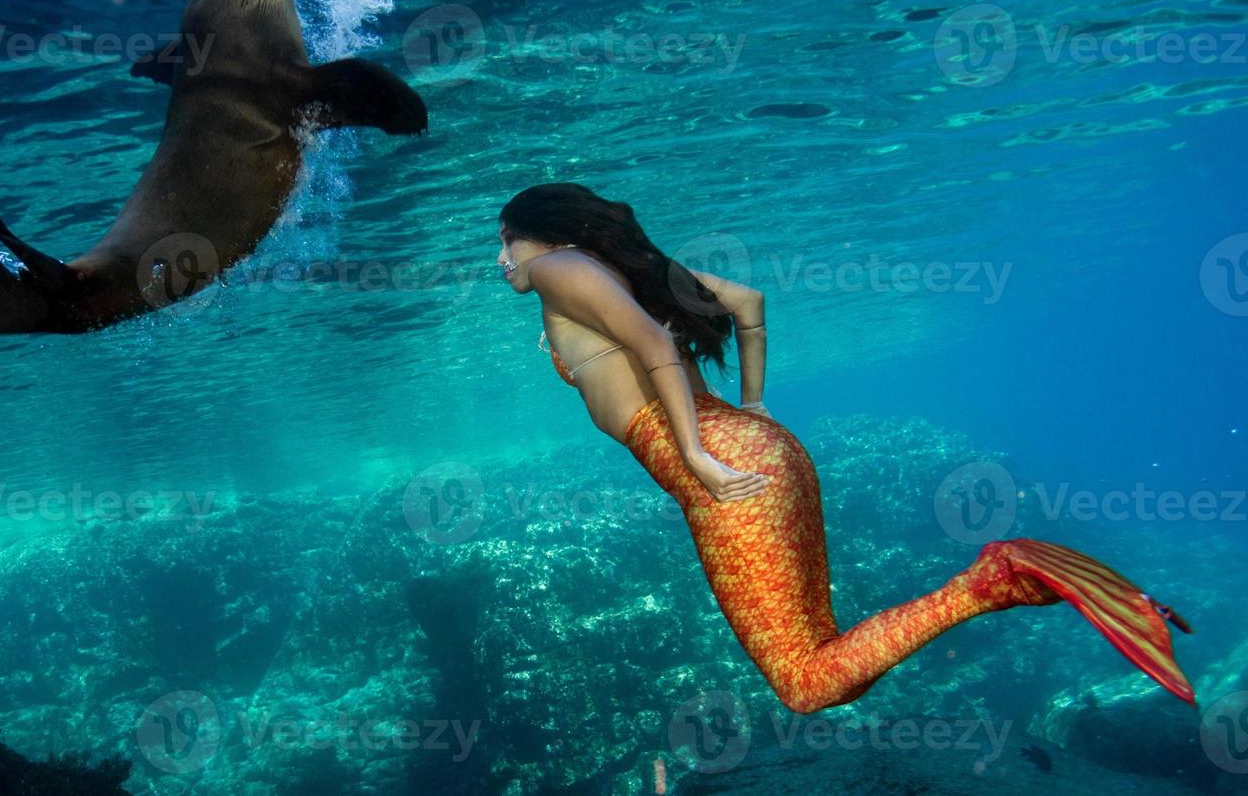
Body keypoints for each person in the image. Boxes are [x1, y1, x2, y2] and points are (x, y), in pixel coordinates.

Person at [496, 182, 1195, 713]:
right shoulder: (610, 275)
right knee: (827, 657)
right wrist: (757, 408)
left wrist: (698, 454)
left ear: (547, 234)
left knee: (805, 683)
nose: (502, 261)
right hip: (762, 449)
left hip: (722, 468)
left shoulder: (561, 266)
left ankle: (995, 579)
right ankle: (1030, 584)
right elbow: (747, 302)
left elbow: (652, 345)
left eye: (507, 242)